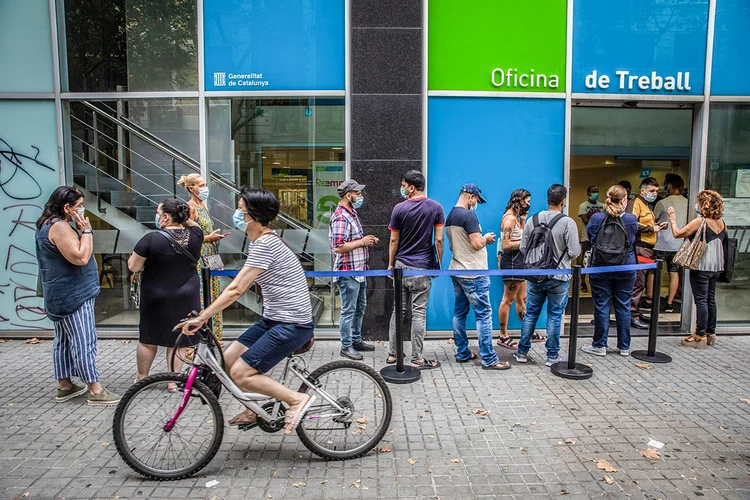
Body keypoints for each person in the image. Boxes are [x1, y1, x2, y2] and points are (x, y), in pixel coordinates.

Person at [176, 187, 315, 435]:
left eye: (240, 209)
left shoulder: (265, 244)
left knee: (242, 372)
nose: (237, 214)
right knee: (226, 362)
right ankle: (254, 408)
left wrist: (203, 316)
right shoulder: (261, 242)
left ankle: (296, 400)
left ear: (253, 215)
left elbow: (236, 289)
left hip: (292, 323)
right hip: (275, 319)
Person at [35, 186, 120, 406]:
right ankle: (95, 389)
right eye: (79, 206)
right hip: (74, 294)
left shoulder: (45, 224)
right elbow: (80, 258)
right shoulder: (60, 227)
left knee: (62, 341)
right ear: (67, 207)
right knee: (84, 340)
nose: (82, 210)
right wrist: (87, 232)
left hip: (60, 293)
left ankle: (65, 385)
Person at [128, 199, 203, 388]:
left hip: (156, 296)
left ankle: (142, 377)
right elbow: (192, 223)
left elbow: (133, 266)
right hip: (187, 295)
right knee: (179, 339)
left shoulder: (150, 239)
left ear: (166, 217)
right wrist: (183, 215)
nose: (157, 216)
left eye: (158, 212)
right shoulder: (196, 234)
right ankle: (173, 380)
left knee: (148, 339)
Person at [513, 184, 581, 366]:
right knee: (555, 315)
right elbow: (574, 252)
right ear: (563, 201)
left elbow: (523, 248)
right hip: (559, 277)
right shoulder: (567, 222)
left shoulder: (533, 220)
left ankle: (521, 352)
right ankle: (552, 356)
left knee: (531, 314)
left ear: (547, 200)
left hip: (535, 275)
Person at [446, 184, 510, 370]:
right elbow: (476, 244)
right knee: (484, 315)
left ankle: (463, 352)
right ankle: (489, 359)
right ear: (471, 196)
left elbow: (452, 246)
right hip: (474, 272)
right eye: (477, 200)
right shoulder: (468, 215)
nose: (477, 204)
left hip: (457, 269)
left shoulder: (451, 215)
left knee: (460, 312)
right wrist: (487, 239)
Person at [386, 170, 444, 369]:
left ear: (411, 187)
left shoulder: (399, 209)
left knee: (398, 311)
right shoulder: (436, 208)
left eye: (403, 185)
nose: (402, 189)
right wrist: (438, 265)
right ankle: (417, 357)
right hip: (422, 267)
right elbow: (438, 239)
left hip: (401, 267)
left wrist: (391, 264)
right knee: (418, 314)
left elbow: (394, 239)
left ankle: (393, 353)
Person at [580, 185, 638, 357]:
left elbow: (591, 238)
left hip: (601, 266)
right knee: (623, 305)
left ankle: (600, 345)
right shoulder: (631, 219)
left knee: (601, 306)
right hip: (626, 266)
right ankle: (624, 346)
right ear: (625, 199)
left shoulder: (597, 218)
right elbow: (633, 239)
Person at [667, 190, 726, 349]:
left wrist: (672, 219)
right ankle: (710, 333)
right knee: (710, 298)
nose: (696, 205)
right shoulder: (721, 222)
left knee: (700, 300)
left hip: (701, 265)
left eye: (698, 202)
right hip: (717, 265)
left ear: (703, 204)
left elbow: (678, 233)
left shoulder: (701, 221)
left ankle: (699, 335)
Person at [329, 179, 378, 360]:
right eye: (357, 193)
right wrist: (362, 242)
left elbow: (352, 240)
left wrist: (366, 240)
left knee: (360, 307)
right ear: (348, 195)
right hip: (348, 271)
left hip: (359, 270)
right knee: (349, 310)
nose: (360, 196)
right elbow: (337, 246)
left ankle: (356, 340)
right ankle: (346, 345)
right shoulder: (341, 217)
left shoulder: (351, 213)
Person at [180, 174, 228, 340]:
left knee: (213, 295)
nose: (205, 188)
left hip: (209, 255)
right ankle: (197, 338)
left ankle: (214, 337)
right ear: (191, 188)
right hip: (200, 258)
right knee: (202, 296)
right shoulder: (191, 208)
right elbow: (187, 236)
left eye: (205, 184)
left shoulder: (203, 207)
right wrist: (208, 238)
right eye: (201, 185)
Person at [626, 177, 666, 329]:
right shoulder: (636, 203)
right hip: (639, 248)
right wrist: (651, 229)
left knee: (641, 280)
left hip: (647, 249)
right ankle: (632, 314)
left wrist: (656, 225)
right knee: (638, 281)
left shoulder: (646, 205)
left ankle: (636, 311)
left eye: (656, 191)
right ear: (643, 191)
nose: (655, 193)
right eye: (652, 191)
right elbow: (631, 223)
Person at [496, 189, 531, 349]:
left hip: (519, 262)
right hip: (512, 263)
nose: (528, 204)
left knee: (522, 298)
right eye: (526, 201)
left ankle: (527, 331)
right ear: (519, 200)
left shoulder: (516, 219)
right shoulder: (509, 219)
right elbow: (506, 245)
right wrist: (525, 243)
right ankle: (502, 335)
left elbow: (519, 236)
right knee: (508, 300)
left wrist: (523, 221)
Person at [653, 175, 688, 313]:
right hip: (678, 243)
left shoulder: (662, 203)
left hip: (661, 243)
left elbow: (653, 219)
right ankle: (669, 303)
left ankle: (651, 299)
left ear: (670, 186)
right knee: (674, 272)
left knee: (654, 272)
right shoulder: (687, 202)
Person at [578, 185, 605, 292]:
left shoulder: (603, 206)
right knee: (584, 261)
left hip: (600, 239)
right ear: (588, 193)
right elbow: (586, 221)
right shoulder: (583, 206)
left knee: (598, 261)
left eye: (597, 191)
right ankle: (582, 282)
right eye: (594, 191)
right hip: (587, 238)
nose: (596, 193)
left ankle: (596, 282)